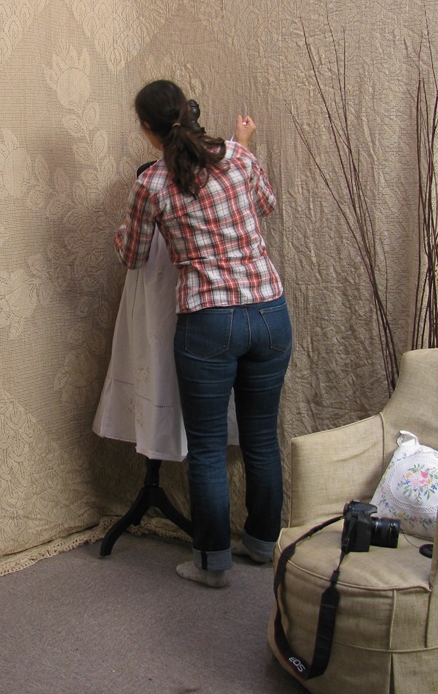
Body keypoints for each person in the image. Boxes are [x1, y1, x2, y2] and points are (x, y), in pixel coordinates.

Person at [114, 79, 292, 588]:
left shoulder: (151, 183)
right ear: (189, 114)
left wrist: (121, 230)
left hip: (209, 320)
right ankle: (262, 544)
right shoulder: (237, 155)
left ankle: (212, 563)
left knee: (209, 447)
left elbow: (132, 256)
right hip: (269, 311)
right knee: (262, 438)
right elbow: (266, 205)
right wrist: (245, 148)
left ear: (148, 130)